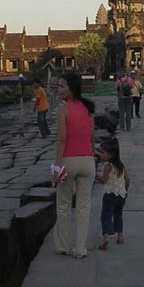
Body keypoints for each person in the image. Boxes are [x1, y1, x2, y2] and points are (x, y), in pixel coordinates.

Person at [52, 72, 97, 259]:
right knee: (83, 206)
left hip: (69, 160)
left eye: (62, 86)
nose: (59, 90)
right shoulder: (88, 108)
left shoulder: (63, 110)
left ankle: (63, 245)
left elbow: (62, 139)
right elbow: (92, 137)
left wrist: (57, 165)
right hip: (88, 160)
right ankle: (80, 248)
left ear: (71, 88)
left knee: (63, 204)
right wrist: (92, 156)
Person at [95, 136, 130, 249]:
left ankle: (105, 238)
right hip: (121, 195)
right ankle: (120, 236)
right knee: (118, 215)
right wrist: (124, 190)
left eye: (102, 153)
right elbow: (128, 179)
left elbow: (104, 181)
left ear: (111, 154)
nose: (100, 155)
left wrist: (94, 175)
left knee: (106, 216)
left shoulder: (107, 166)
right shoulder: (120, 165)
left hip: (110, 195)